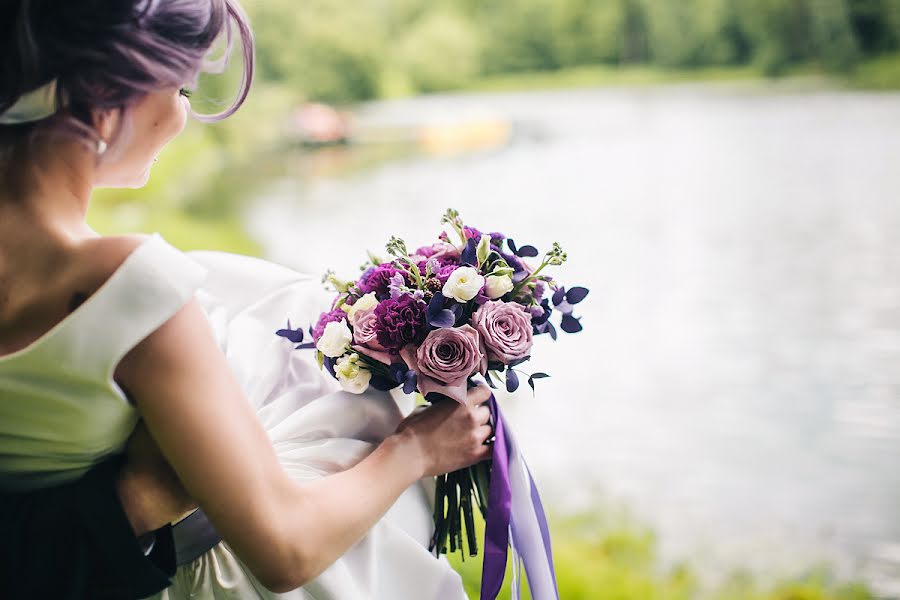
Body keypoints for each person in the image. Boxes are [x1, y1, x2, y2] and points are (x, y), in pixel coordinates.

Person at [0, 1, 493, 598]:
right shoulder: (127, 287)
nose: (184, 112)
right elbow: (286, 548)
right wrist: (417, 448)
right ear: (109, 97)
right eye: (180, 87)